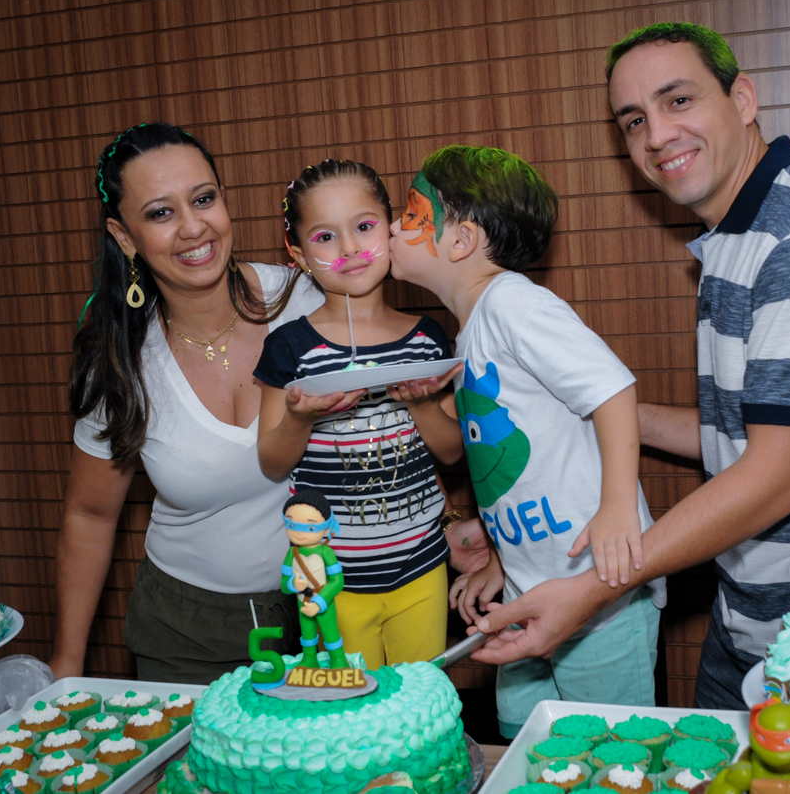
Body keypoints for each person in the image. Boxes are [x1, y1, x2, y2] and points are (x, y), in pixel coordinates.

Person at [465, 23, 790, 711]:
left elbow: (777, 474)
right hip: (757, 618)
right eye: (634, 120)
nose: (656, 135)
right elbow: (742, 427)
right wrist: (589, 412)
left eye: (679, 101)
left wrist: (592, 589)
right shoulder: (740, 232)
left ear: (743, 98)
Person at [389, 145, 666, 737]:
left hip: (600, 593)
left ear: (460, 240)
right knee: (525, 737)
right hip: (526, 590)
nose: (392, 227)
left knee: (607, 747)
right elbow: (478, 456)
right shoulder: (472, 332)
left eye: (410, 214)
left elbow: (613, 390)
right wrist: (496, 553)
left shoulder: (513, 303)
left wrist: (618, 504)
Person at [49, 123, 324, 684]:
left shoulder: (311, 300)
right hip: (190, 638)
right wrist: (68, 663)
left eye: (204, 199)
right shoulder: (122, 359)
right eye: (159, 213)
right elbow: (90, 514)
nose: (194, 227)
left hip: (335, 613)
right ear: (124, 237)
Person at [254, 159, 463, 670]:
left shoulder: (428, 338)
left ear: (391, 232)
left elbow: (454, 451)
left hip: (422, 569)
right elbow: (272, 463)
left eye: (365, 227)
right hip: (332, 579)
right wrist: (301, 418)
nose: (349, 249)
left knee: (421, 708)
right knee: (352, 717)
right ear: (299, 254)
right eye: (325, 237)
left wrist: (417, 401)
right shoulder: (289, 348)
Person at [280, 488, 349, 669]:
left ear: (326, 527)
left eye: (310, 527)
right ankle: (310, 659)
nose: (298, 533)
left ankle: (338, 660)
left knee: (330, 632)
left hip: (323, 602)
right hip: (302, 601)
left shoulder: (326, 552)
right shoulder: (291, 553)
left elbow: (337, 581)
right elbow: (284, 587)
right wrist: (292, 584)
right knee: (307, 634)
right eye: (291, 524)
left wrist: (319, 603)